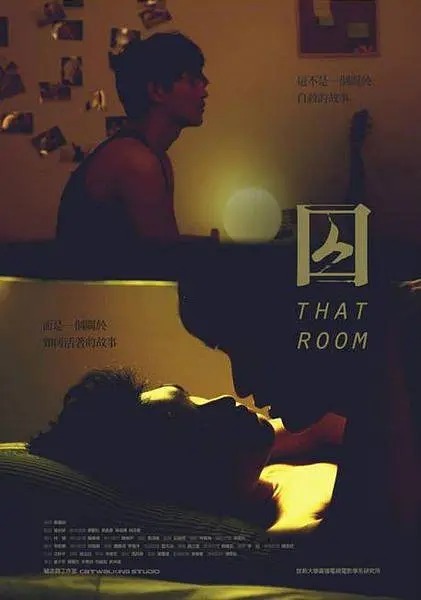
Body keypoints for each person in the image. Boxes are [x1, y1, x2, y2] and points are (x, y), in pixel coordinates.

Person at [178, 251, 421, 597]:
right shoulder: (379, 373)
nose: (240, 387)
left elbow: (367, 552)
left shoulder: (397, 362)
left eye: (246, 348)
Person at [29, 369, 345, 536]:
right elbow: (297, 539)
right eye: (197, 422)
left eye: (190, 398)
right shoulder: (294, 503)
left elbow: (321, 425)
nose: (224, 400)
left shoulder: (267, 452)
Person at [56, 33, 209, 245]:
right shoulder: (136, 162)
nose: (204, 92)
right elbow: (165, 258)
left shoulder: (155, 157)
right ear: (157, 91)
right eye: (192, 81)